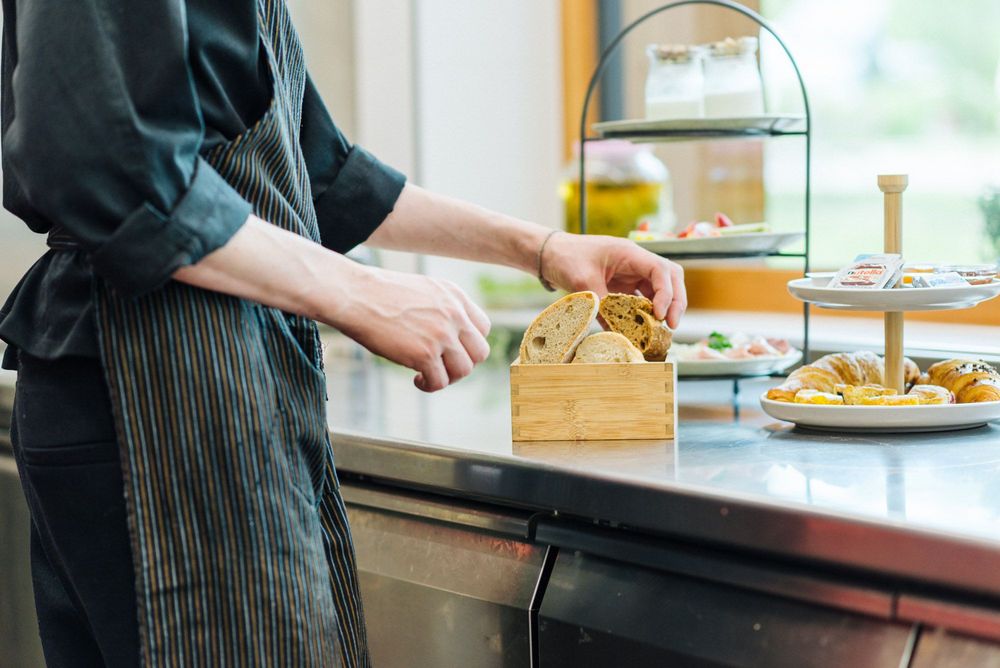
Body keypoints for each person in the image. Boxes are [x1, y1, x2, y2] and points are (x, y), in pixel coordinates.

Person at [0, 1, 686, 666]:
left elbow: (320, 175)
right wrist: (361, 293)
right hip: (149, 387)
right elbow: (104, 164)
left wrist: (544, 248)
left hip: (237, 386)